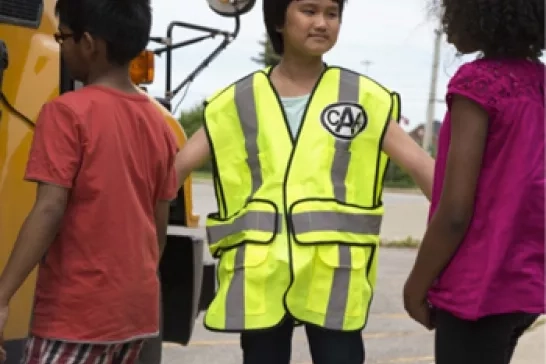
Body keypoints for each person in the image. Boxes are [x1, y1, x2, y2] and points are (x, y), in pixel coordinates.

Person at [175, 0, 434, 363]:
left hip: (333, 279)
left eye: (332, 13)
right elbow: (172, 174)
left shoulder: (360, 99)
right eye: (309, 11)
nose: (322, 23)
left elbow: (429, 175)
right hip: (259, 280)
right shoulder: (237, 102)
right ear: (278, 20)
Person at [0, 0, 179, 362]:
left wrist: (3, 296)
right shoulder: (160, 125)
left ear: (89, 43)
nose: (61, 47)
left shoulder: (65, 112)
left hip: (76, 314)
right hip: (135, 314)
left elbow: (49, 208)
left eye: (63, 37)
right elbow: (157, 224)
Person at [403, 0, 545, 363]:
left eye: (450, 10)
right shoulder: (539, 84)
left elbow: (455, 211)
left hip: (477, 287)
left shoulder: (478, 83)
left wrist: (416, 286)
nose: (446, 21)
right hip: (525, 282)